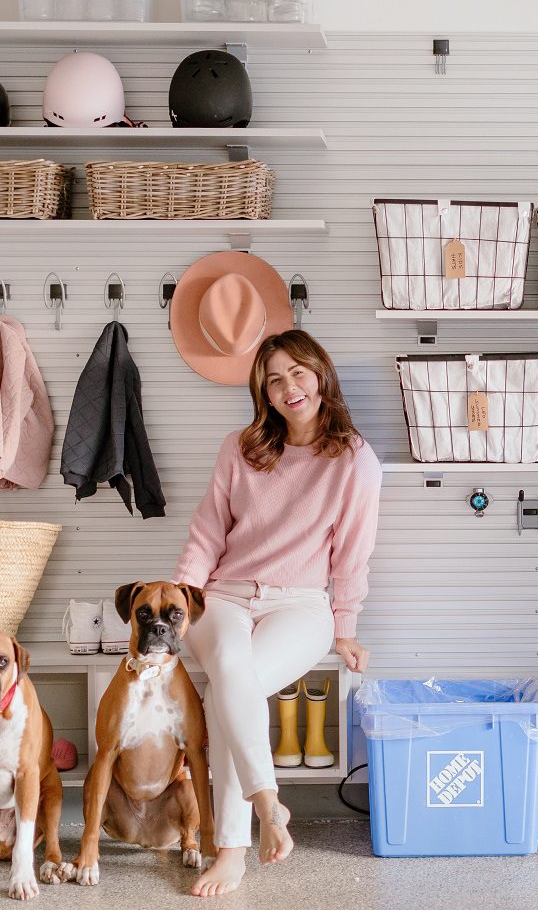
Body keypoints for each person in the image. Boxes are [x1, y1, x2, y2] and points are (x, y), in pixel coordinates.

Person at [172, 329, 382, 897]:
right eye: (273, 379)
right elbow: (208, 531)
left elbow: (352, 553)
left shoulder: (354, 461)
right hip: (225, 597)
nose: (288, 387)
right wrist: (180, 600)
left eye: (298, 373)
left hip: (302, 604)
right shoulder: (240, 448)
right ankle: (266, 804)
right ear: (262, 393)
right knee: (230, 675)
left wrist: (346, 627)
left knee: (225, 690)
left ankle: (233, 850)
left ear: (321, 376)